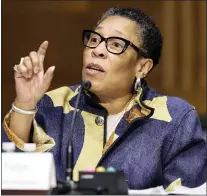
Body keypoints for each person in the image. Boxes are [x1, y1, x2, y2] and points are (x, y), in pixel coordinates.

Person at [2, 7, 206, 190]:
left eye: (116, 44)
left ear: (142, 67)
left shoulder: (174, 117)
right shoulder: (54, 104)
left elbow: (187, 191)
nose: (97, 50)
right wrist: (26, 103)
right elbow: (11, 176)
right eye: (94, 40)